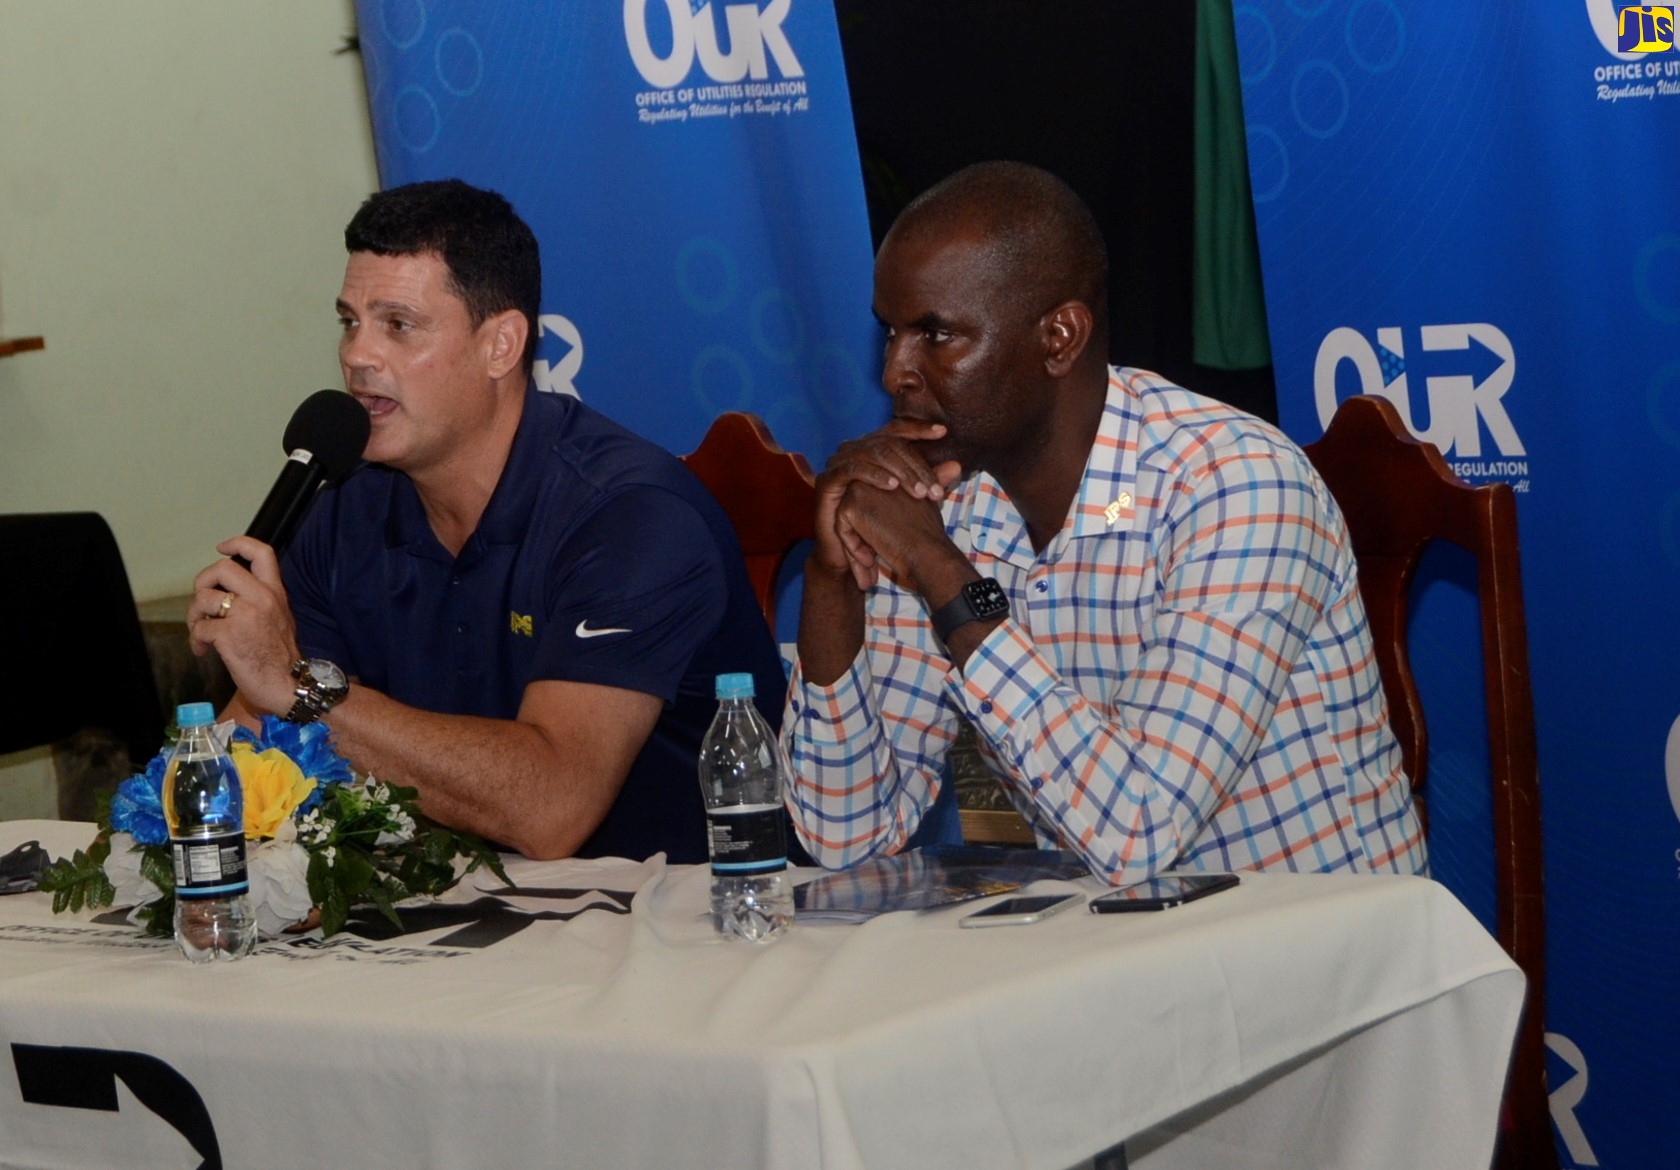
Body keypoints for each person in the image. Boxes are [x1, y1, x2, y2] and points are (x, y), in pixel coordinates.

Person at [783, 161, 1427, 885]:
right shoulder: (943, 501)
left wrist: (941, 575)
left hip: (1327, 961)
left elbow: (1138, 830)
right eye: (891, 334)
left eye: (936, 335)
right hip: (1120, 957)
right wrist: (832, 581)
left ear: (1059, 337)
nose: (895, 372)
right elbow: (848, 838)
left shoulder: (1234, 484)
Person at [187, 178, 783, 864]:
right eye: (350, 321)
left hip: (684, 927)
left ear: (501, 345)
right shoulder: (346, 507)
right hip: (465, 916)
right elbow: (244, 745)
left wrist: (299, 692)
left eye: (398, 325)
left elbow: (550, 810)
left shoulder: (633, 517)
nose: (357, 356)